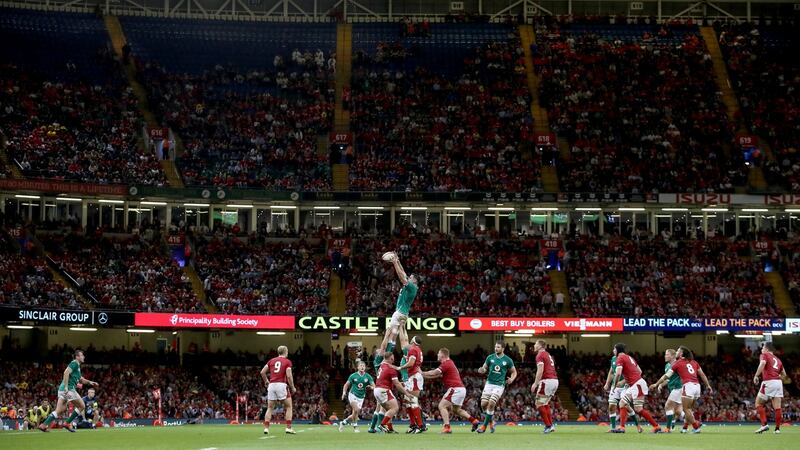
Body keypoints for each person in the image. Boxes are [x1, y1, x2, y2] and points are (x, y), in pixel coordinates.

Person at [650, 346, 712, 434]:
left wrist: (656, 384)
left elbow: (666, 376)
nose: (677, 352)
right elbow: (702, 375)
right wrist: (708, 385)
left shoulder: (677, 363)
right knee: (683, 410)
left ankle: (695, 426)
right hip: (697, 386)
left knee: (672, 407)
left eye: (678, 351)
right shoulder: (693, 362)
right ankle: (685, 427)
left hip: (685, 387)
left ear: (681, 353)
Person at [422, 347, 481, 434]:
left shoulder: (446, 363)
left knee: (442, 406)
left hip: (455, 388)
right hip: (461, 389)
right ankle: (474, 420)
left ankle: (447, 427)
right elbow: (436, 376)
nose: (437, 355)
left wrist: (421, 372)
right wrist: (423, 375)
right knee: (456, 410)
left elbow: (434, 372)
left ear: (442, 355)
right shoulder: (450, 363)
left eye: (438, 353)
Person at [39, 349, 99, 432]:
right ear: (77, 357)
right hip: (69, 389)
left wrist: (90, 382)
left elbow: (81, 379)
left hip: (62, 389)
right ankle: (67, 423)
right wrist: (67, 387)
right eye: (82, 355)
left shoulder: (77, 366)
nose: (83, 356)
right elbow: (66, 372)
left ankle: (43, 425)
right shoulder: (74, 363)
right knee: (82, 406)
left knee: (60, 410)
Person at [607, 343, 661, 434]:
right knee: (638, 409)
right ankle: (656, 426)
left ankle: (622, 427)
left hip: (636, 384)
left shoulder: (620, 358)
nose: (613, 351)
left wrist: (616, 384)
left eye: (614, 349)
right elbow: (640, 371)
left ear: (617, 350)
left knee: (622, 403)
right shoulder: (629, 357)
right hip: (639, 383)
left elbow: (618, 373)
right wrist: (629, 380)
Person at [378, 251, 418, 358]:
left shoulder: (412, 287)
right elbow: (403, 273)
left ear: (414, 280)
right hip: (403, 313)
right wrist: (398, 260)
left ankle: (383, 356)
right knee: (396, 335)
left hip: (399, 313)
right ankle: (403, 355)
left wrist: (395, 262)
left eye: (411, 277)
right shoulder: (412, 286)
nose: (409, 277)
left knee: (391, 335)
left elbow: (401, 276)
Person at [476, 341, 517, 433]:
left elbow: (514, 372)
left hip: (499, 385)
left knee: (491, 403)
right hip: (489, 383)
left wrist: (512, 379)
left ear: (503, 348)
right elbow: (484, 368)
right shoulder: (490, 357)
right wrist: (481, 370)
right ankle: (491, 422)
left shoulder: (508, 360)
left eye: (498, 347)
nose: (496, 349)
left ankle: (484, 427)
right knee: (483, 405)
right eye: (495, 347)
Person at [753, 342, 789, 434]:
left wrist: (756, 375)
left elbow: (762, 363)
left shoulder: (764, 355)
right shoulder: (778, 359)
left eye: (763, 348)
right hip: (778, 383)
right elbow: (784, 375)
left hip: (769, 381)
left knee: (758, 403)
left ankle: (764, 425)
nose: (761, 350)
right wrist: (777, 377)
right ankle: (777, 429)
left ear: (767, 349)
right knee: (777, 407)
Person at [393, 329, 425, 433]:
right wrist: (403, 327)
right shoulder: (416, 349)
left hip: (413, 377)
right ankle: (413, 425)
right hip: (412, 377)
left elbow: (403, 340)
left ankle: (420, 426)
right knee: (408, 402)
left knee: (413, 400)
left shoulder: (412, 349)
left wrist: (400, 367)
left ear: (413, 341)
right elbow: (404, 340)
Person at [260, 345, 296, 435]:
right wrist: (292, 387)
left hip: (272, 385)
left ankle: (266, 428)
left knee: (270, 407)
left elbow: (262, 372)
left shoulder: (271, 360)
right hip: (281, 384)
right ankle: (288, 428)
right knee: (289, 406)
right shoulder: (287, 362)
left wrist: (266, 381)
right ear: (286, 352)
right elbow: (289, 375)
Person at [373, 352, 412, 433]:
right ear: (391, 358)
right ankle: (382, 425)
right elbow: (396, 384)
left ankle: (390, 428)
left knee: (389, 409)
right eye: (393, 358)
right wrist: (406, 393)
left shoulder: (382, 365)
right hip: (383, 390)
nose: (393, 359)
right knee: (395, 408)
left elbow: (387, 378)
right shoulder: (391, 369)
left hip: (377, 390)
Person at [339, 360, 375, 433]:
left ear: (365, 368)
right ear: (357, 367)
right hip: (352, 394)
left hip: (361, 397)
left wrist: (371, 387)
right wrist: (344, 393)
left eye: (363, 366)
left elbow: (374, 386)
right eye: (360, 366)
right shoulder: (353, 376)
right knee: (356, 410)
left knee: (354, 414)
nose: (362, 367)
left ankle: (343, 422)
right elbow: (346, 385)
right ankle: (355, 426)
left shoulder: (368, 376)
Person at [531, 339, 558, 434]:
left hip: (547, 381)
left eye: (535, 344)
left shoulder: (540, 355)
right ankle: (551, 425)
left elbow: (540, 370)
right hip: (554, 380)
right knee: (544, 404)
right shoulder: (547, 354)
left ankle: (548, 426)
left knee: (538, 404)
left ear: (540, 346)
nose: (534, 345)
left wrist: (535, 383)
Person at [655, 349, 683, 432]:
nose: (665, 356)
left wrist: (656, 384)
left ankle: (668, 428)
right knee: (678, 411)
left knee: (667, 406)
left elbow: (683, 376)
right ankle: (696, 423)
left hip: (678, 388)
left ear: (673, 356)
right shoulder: (667, 365)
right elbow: (668, 379)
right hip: (675, 389)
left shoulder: (677, 364)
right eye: (665, 354)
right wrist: (661, 385)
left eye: (667, 354)